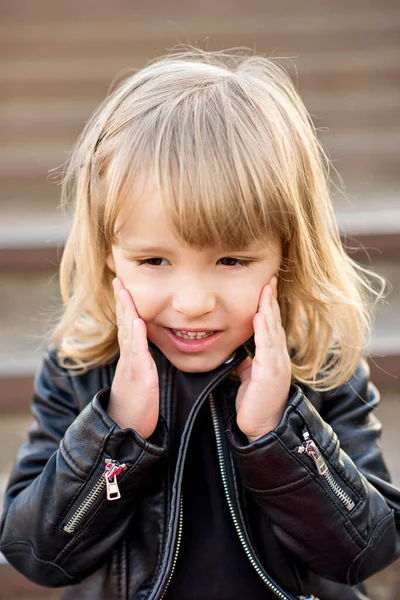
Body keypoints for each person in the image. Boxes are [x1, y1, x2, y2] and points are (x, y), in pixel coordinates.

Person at [0, 47, 399, 600]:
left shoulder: (319, 368)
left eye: (232, 261)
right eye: (154, 261)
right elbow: (37, 555)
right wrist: (117, 432)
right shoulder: (81, 370)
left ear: (286, 254)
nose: (191, 303)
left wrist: (276, 431)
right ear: (110, 253)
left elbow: (365, 552)